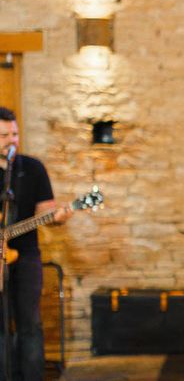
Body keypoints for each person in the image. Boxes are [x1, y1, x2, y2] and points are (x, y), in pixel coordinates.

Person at [0, 106, 71, 381]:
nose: (12, 140)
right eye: (5, 134)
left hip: (26, 255)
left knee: (29, 324)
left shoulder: (32, 168)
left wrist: (59, 216)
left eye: (15, 133)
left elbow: (47, 212)